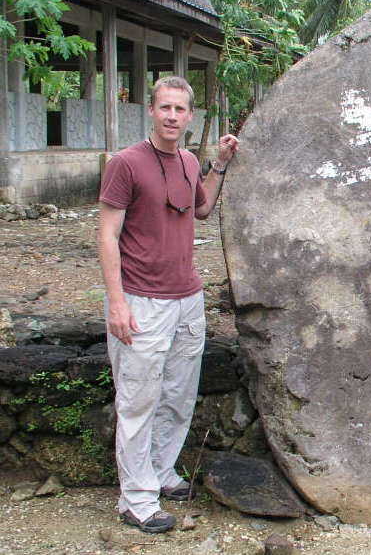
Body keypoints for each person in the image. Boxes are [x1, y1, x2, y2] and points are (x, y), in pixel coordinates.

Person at [97, 76, 239, 534]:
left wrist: (217, 166)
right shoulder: (126, 163)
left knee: (176, 396)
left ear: (190, 116)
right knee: (138, 401)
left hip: (187, 299)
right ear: (151, 111)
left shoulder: (188, 161)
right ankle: (136, 500)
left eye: (180, 109)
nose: (172, 116)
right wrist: (117, 303)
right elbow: (106, 235)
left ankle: (161, 473)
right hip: (142, 300)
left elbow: (199, 209)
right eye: (165, 108)